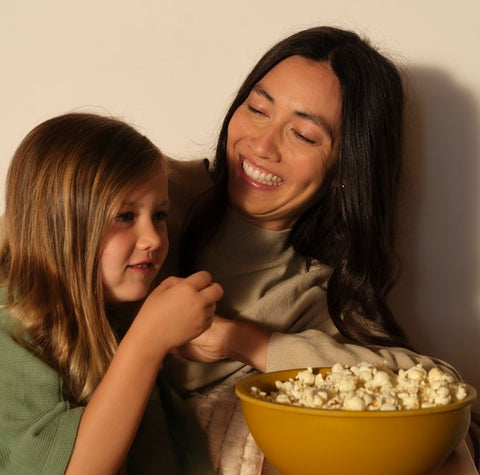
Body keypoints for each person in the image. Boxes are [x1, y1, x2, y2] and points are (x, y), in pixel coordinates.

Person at [160, 26, 478, 472]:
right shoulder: (151, 195)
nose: (261, 146)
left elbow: (438, 389)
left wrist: (243, 342)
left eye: (304, 136)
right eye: (257, 109)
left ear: (345, 168)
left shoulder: (321, 293)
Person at [0, 112, 223, 474]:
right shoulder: (10, 328)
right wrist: (148, 342)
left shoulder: (111, 316)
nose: (152, 238)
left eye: (160, 215)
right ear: (59, 224)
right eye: (124, 216)